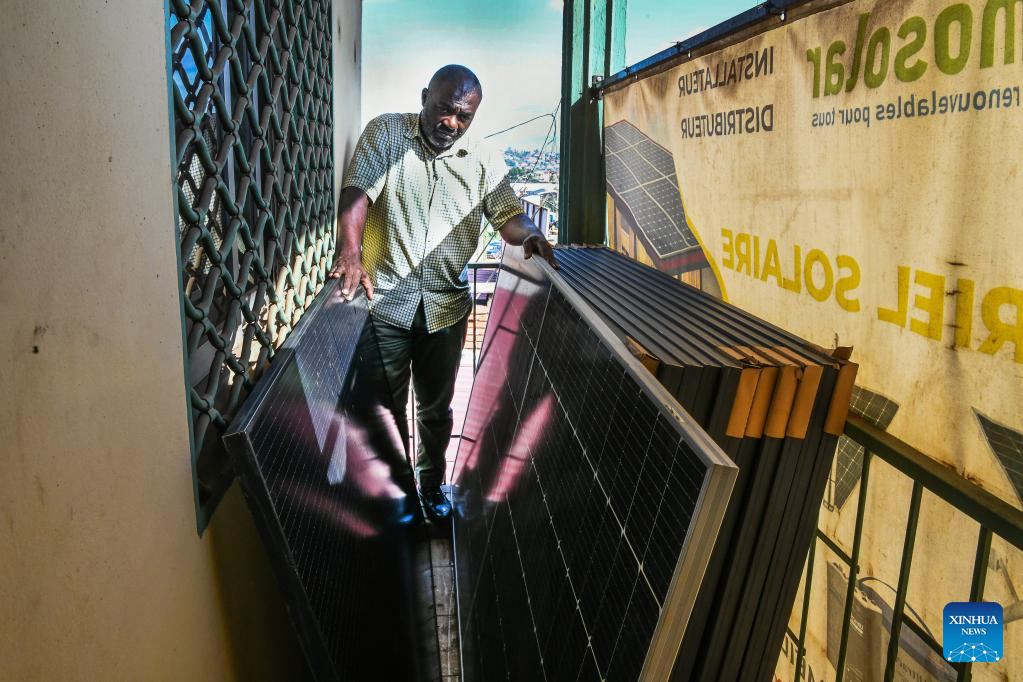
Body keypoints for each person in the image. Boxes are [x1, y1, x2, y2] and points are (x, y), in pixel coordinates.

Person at [330, 64, 557, 521]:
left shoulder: (485, 160)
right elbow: (357, 194)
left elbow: (508, 215)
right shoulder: (386, 134)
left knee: (436, 411)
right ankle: (394, 498)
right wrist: (350, 252)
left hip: (445, 308)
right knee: (383, 411)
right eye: (443, 110)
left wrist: (531, 233)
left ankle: (431, 488)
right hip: (386, 302)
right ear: (424, 98)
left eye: (463, 116)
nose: (451, 123)